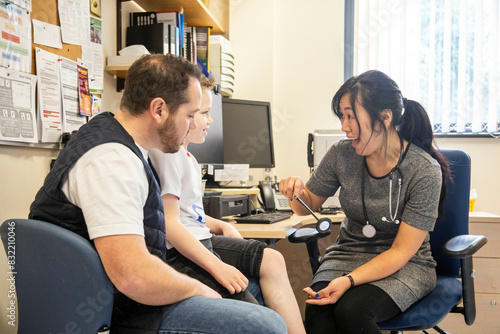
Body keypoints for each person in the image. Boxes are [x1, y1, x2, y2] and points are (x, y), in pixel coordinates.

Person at [29, 54, 287, 334]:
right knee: (265, 325)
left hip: (121, 298)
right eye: (189, 115)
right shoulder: (111, 161)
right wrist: (198, 289)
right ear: (159, 110)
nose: (192, 125)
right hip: (123, 312)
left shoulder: (111, 135)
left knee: (253, 295)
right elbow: (134, 277)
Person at [279, 70, 450, 334]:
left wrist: (348, 281)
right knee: (318, 313)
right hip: (347, 255)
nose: (344, 126)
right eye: (342, 116)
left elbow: (401, 251)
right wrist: (296, 192)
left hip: (404, 265)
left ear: (385, 117)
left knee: (353, 312)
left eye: (350, 116)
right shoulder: (342, 154)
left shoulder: (423, 170)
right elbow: (308, 204)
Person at [149, 76, 306, 333]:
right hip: (182, 251)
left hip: (201, 238)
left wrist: (219, 224)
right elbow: (170, 223)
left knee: (274, 259)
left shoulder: (186, 156)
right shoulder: (167, 155)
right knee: (261, 322)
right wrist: (218, 267)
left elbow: (189, 213)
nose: (210, 121)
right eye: (203, 113)